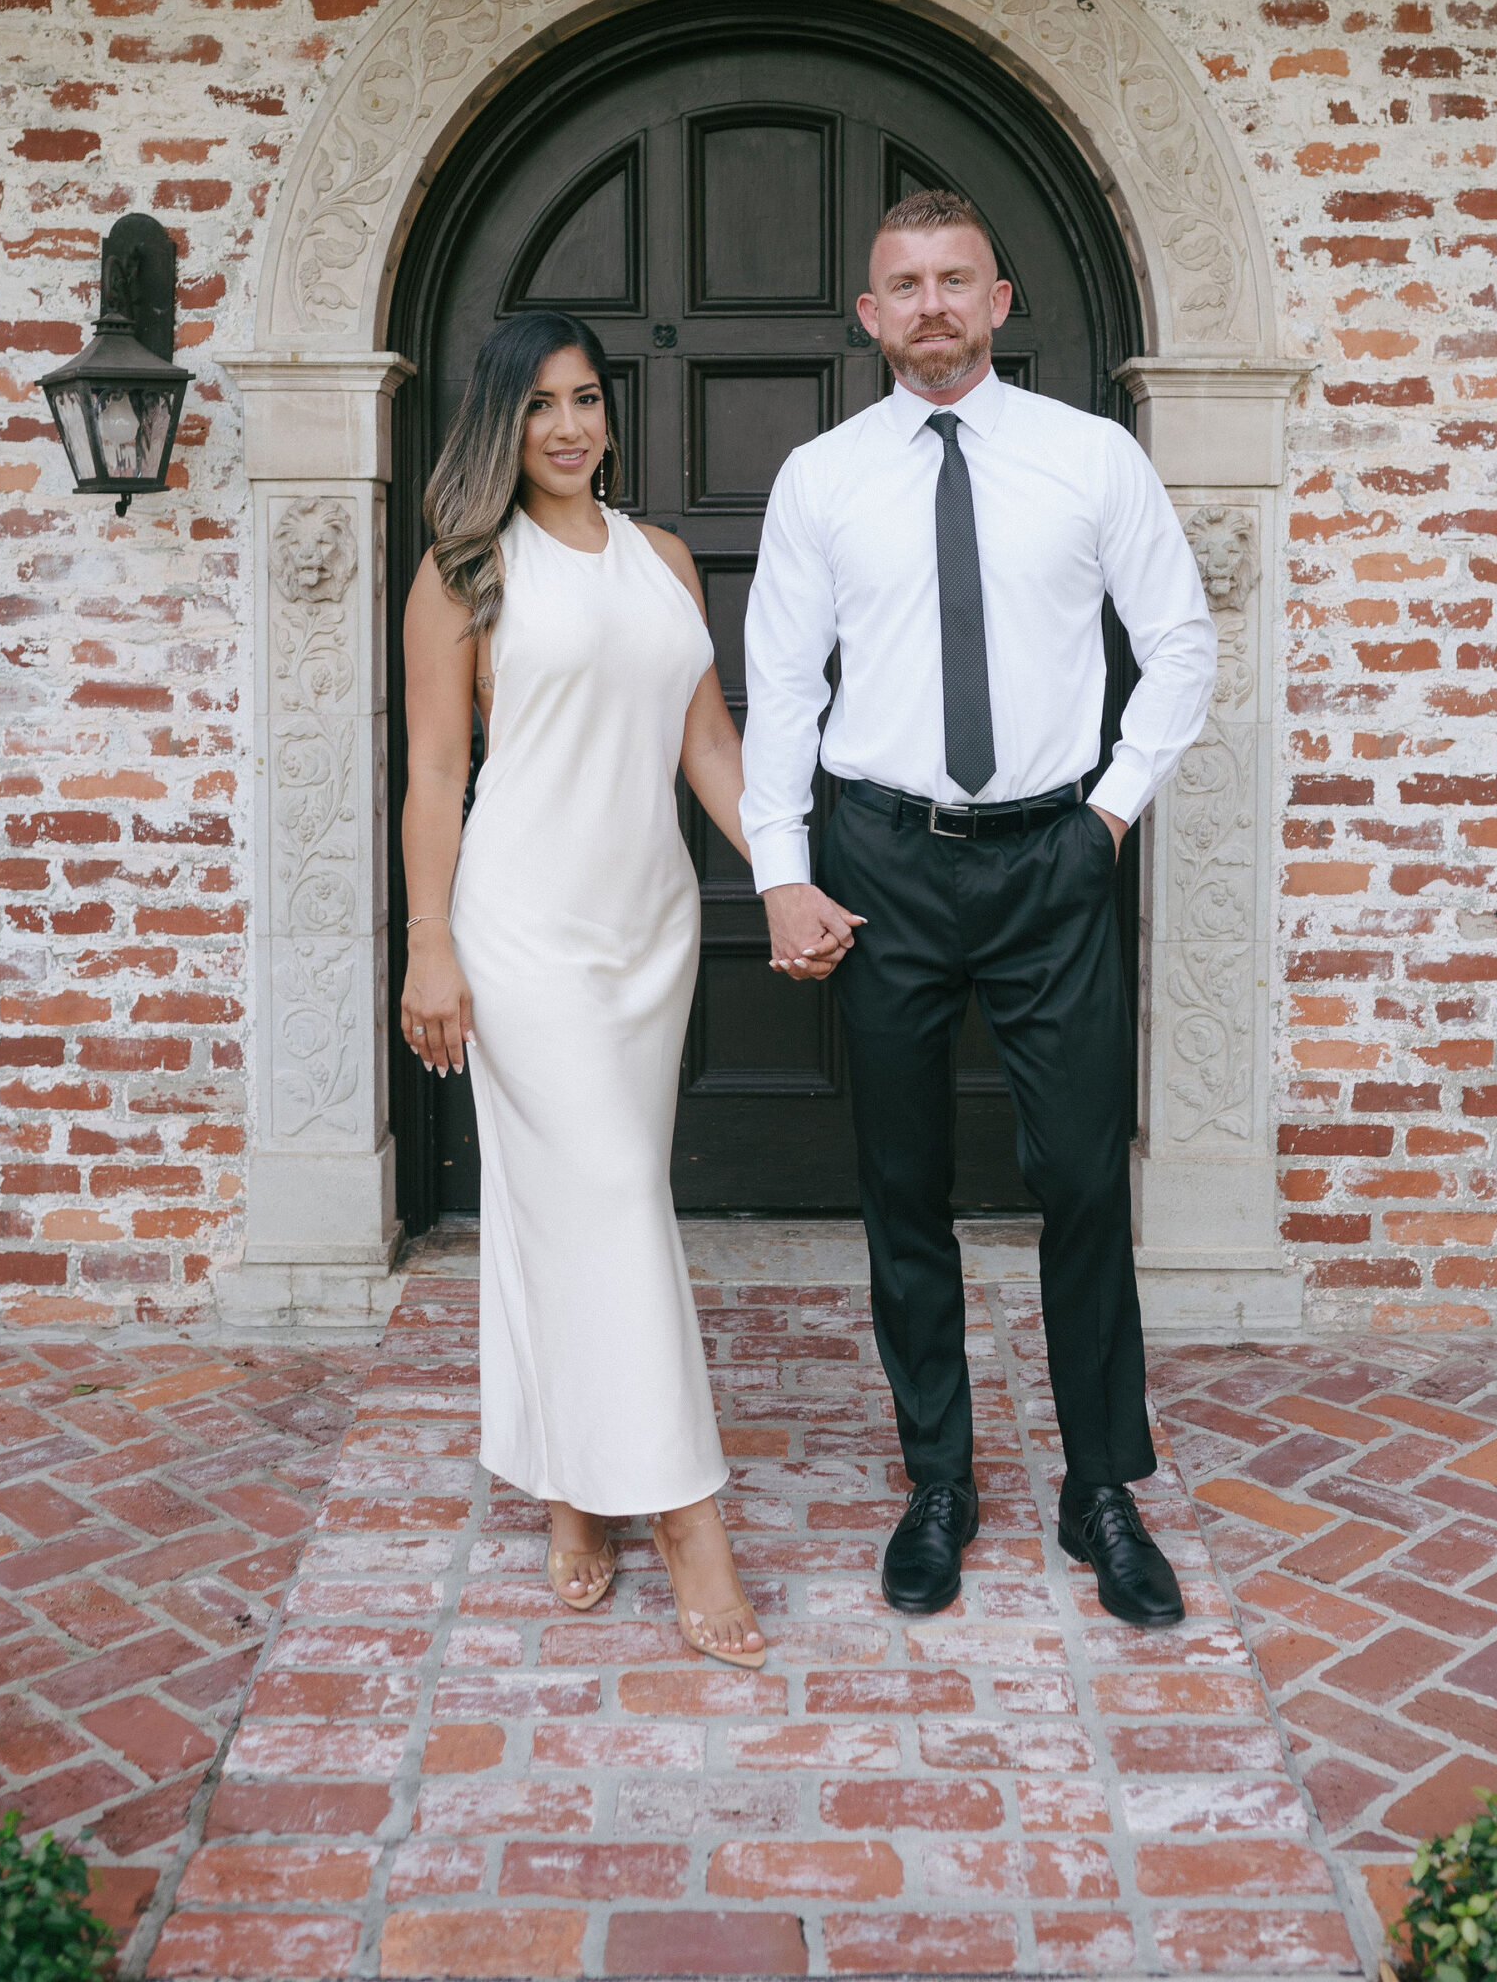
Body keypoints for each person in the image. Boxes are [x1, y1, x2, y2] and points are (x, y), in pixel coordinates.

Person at [740, 190, 1216, 1629]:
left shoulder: (1093, 459)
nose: (933, 305)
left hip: (1050, 861)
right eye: (905, 285)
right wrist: (780, 867)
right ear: (870, 318)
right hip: (880, 860)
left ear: (1001, 300)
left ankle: (1099, 1489)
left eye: (957, 280)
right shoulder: (821, 479)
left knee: (1079, 1176)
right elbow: (784, 691)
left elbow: (1180, 642)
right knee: (904, 1188)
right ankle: (936, 1477)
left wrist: (1110, 818)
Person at [400, 308, 783, 1666]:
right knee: (615, 1203)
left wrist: (789, 879)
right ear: (500, 421)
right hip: (522, 931)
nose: (567, 427)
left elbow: (711, 750)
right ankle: (685, 1516)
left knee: (570, 1211)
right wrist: (428, 944)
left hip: (648, 932)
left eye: (587, 400)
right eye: (539, 404)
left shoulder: (663, 561)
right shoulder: (462, 573)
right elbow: (438, 776)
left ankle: (572, 1486)